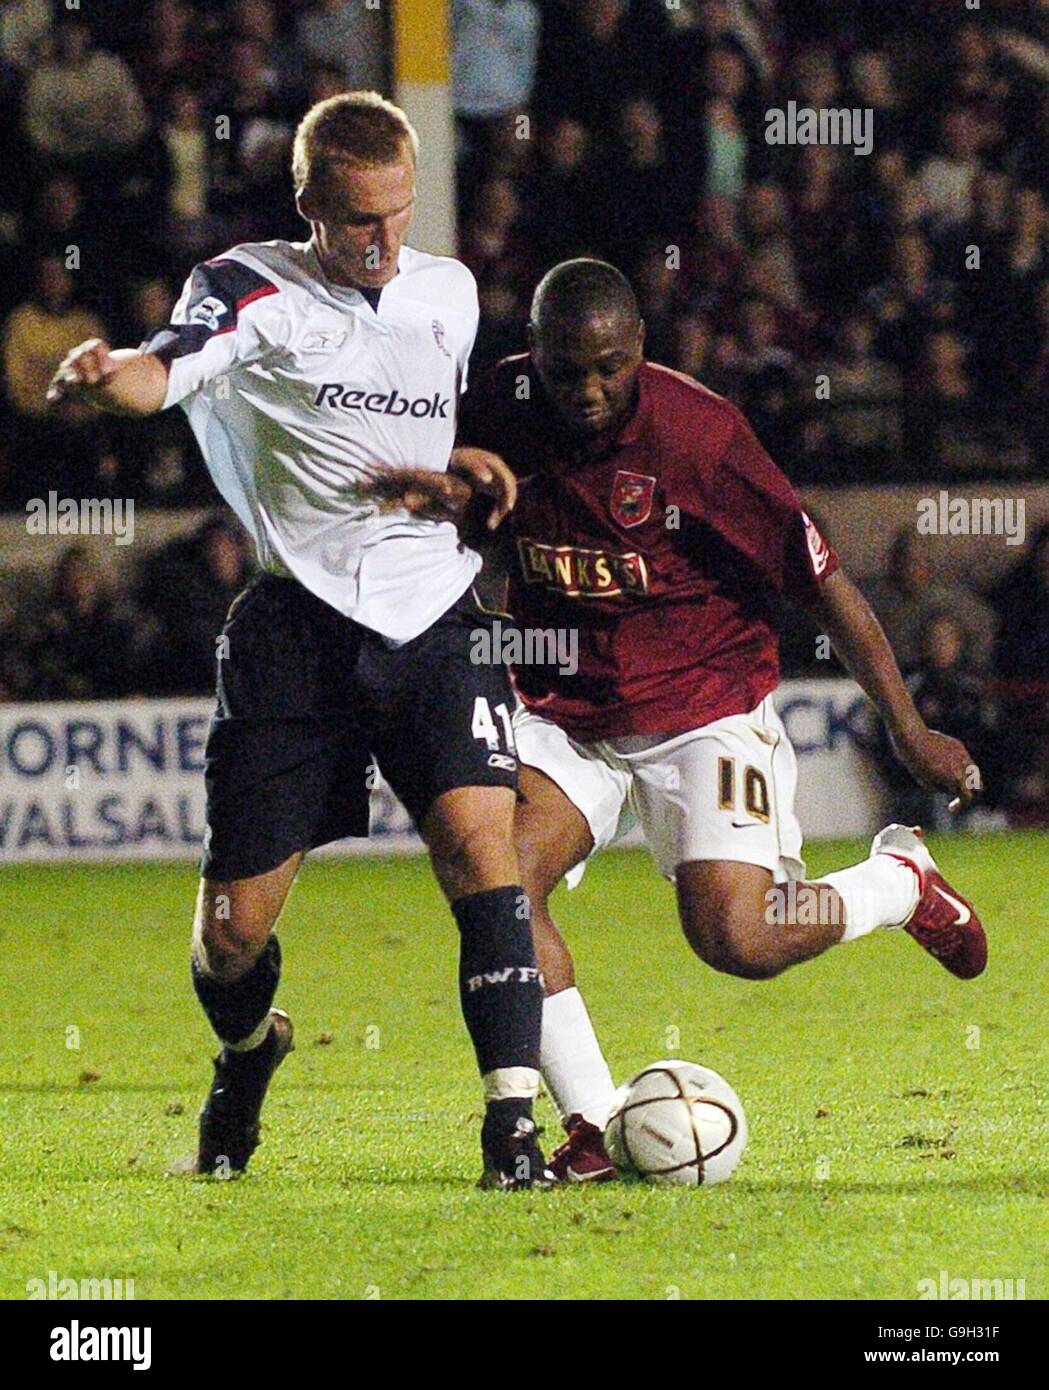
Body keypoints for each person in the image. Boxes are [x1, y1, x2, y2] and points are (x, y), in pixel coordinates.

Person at [47, 91, 552, 1190]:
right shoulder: (249, 287)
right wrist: (107, 377)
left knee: (481, 852)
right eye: (357, 220)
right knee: (233, 932)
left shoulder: (449, 292)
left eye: (398, 216)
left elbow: (420, 426)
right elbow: (163, 365)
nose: (381, 243)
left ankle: (511, 1131)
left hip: (435, 618)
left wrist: (462, 474)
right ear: (308, 202)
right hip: (297, 629)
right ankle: (246, 1051)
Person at [393, 258, 989, 1184]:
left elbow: (822, 581)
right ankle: (590, 1120)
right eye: (568, 371)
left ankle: (897, 883)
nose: (589, 391)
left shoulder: (699, 437)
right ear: (535, 356)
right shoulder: (495, 407)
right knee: (498, 886)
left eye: (610, 367)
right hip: (564, 712)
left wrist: (908, 727)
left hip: (703, 709)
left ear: (639, 350)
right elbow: (457, 516)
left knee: (740, 942)